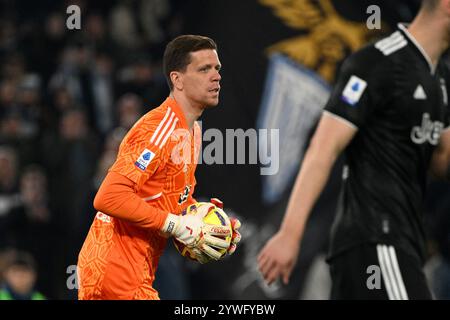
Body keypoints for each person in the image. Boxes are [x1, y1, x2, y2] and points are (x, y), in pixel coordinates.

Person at [258, 0, 450, 300]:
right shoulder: (377, 63)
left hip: (404, 241)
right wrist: (290, 235)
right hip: (375, 238)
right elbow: (323, 149)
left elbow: (442, 162)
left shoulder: (441, 78)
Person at [77, 35, 241, 300]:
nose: (216, 77)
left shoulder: (194, 132)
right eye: (204, 69)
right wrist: (176, 225)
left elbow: (168, 203)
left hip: (137, 271)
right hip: (113, 270)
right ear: (177, 79)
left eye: (217, 69)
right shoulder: (158, 127)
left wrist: (207, 227)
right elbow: (108, 196)